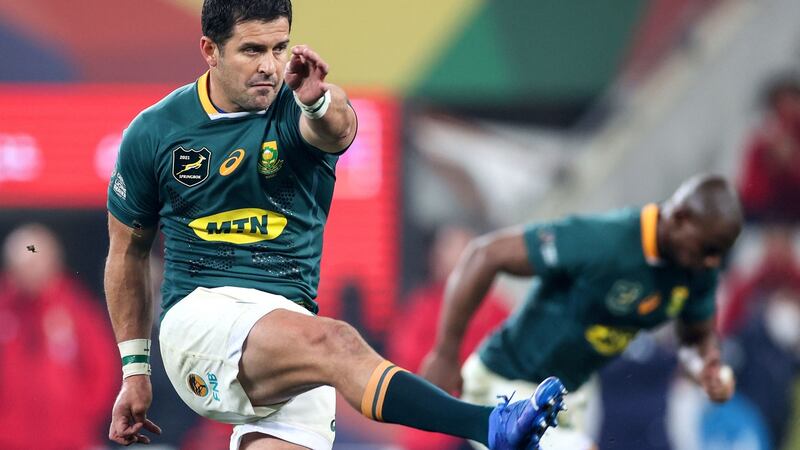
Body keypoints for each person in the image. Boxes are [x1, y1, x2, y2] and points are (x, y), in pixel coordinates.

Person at [104, 1, 565, 449]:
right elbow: (127, 252)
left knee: (324, 344)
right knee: (338, 340)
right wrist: (135, 370)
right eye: (252, 50)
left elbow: (338, 128)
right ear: (210, 50)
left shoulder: (300, 109)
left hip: (289, 338)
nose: (269, 64)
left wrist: (319, 103)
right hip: (201, 322)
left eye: (279, 47)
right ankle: (491, 426)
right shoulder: (155, 132)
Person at [421, 174, 742, 450]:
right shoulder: (605, 241)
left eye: (720, 253)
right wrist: (446, 353)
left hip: (571, 399)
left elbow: (696, 337)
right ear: (680, 218)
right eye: (709, 249)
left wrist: (706, 367)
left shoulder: (697, 267)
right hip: (505, 387)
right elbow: (485, 255)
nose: (713, 262)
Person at [0, 223, 118, 450]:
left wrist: (79, 419)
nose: (30, 272)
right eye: (22, 265)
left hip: (68, 440)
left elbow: (103, 371)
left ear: (53, 263)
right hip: (9, 440)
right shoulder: (4, 311)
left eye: (35, 262)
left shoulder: (77, 310)